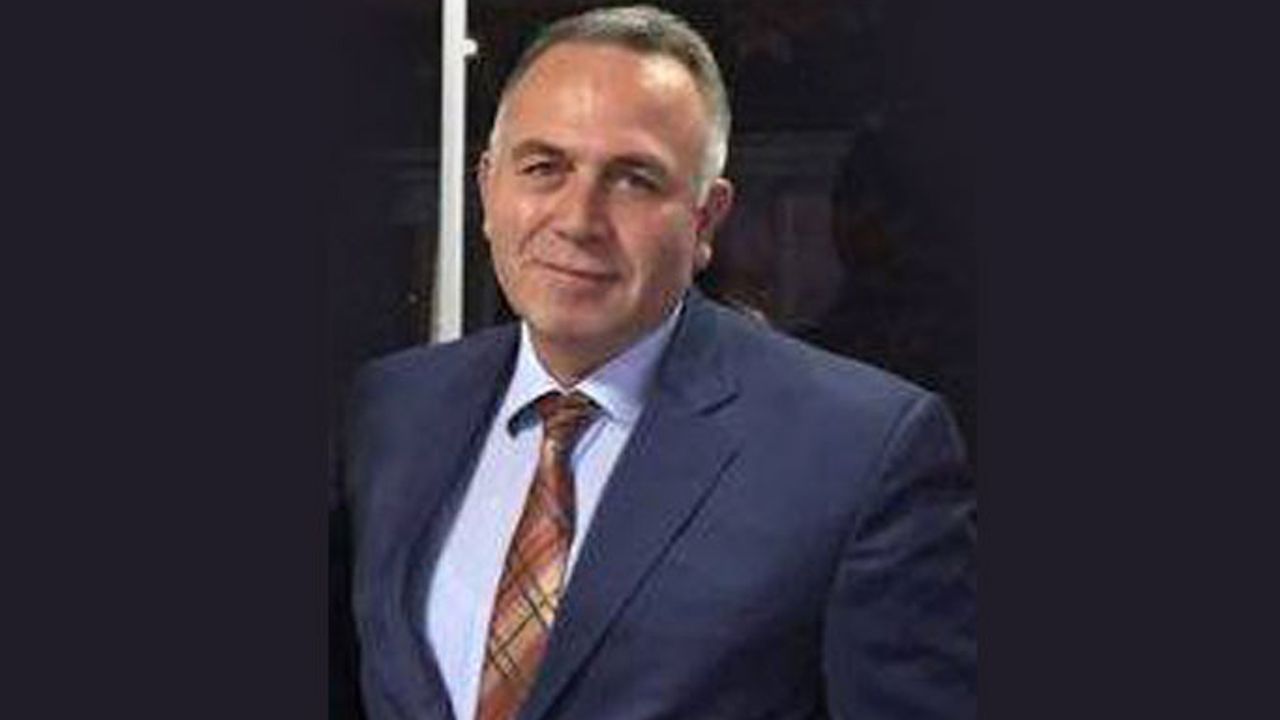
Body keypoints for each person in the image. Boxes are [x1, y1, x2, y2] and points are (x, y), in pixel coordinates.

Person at [344, 6, 975, 720]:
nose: (577, 220)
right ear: (489, 189)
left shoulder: (859, 452)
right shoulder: (391, 410)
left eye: (634, 180)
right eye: (544, 167)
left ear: (706, 219)